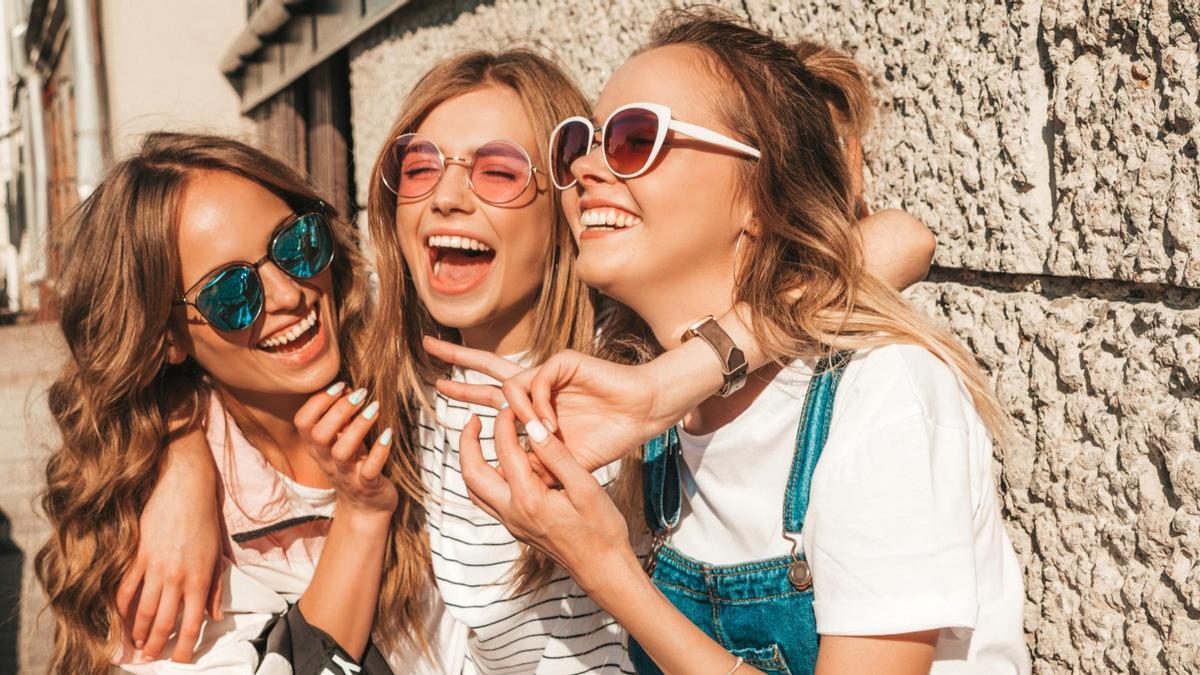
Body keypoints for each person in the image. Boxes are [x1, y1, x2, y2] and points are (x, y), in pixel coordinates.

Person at [123, 48, 937, 673]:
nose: (448, 197)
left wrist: (667, 380)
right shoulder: (393, 369)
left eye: (498, 171)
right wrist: (179, 452)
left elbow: (899, 240)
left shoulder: (618, 354)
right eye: (419, 168)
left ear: (568, 206)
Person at [437, 9, 1030, 675]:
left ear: (757, 193)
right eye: (582, 143)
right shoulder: (642, 386)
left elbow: (904, 238)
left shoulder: (879, 391)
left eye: (635, 138)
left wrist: (607, 569)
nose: (589, 169)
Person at [34, 132, 461, 674]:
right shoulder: (163, 544)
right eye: (230, 294)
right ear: (165, 338)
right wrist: (359, 511)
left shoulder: (410, 361)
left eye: (295, 244)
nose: (289, 295)